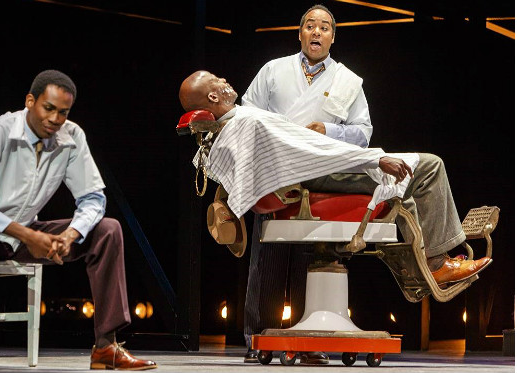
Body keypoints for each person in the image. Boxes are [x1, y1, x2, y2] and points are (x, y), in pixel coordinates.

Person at [178, 69, 492, 360]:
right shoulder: (248, 120)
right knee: (431, 165)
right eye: (217, 80)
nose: (225, 81)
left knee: (403, 197)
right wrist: (374, 159)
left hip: (304, 177)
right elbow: (316, 151)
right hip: (316, 176)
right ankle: (438, 265)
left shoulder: (227, 128)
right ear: (213, 97)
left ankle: (427, 263)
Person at [0, 70, 157, 371]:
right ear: (30, 101)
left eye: (63, 112)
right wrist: (27, 235)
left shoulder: (72, 137)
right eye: (48, 108)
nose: (55, 118)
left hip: (25, 234)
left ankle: (106, 346)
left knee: (107, 229)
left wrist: (70, 235)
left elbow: (93, 198)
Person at [240, 4, 370, 364]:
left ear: (333, 36)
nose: (316, 32)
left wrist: (327, 129)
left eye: (324, 27)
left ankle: (308, 342)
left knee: (308, 257)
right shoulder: (273, 70)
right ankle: (258, 339)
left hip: (322, 177)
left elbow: (363, 132)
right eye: (310, 26)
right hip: (276, 172)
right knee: (267, 257)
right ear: (299, 33)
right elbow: (246, 113)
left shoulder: (347, 80)